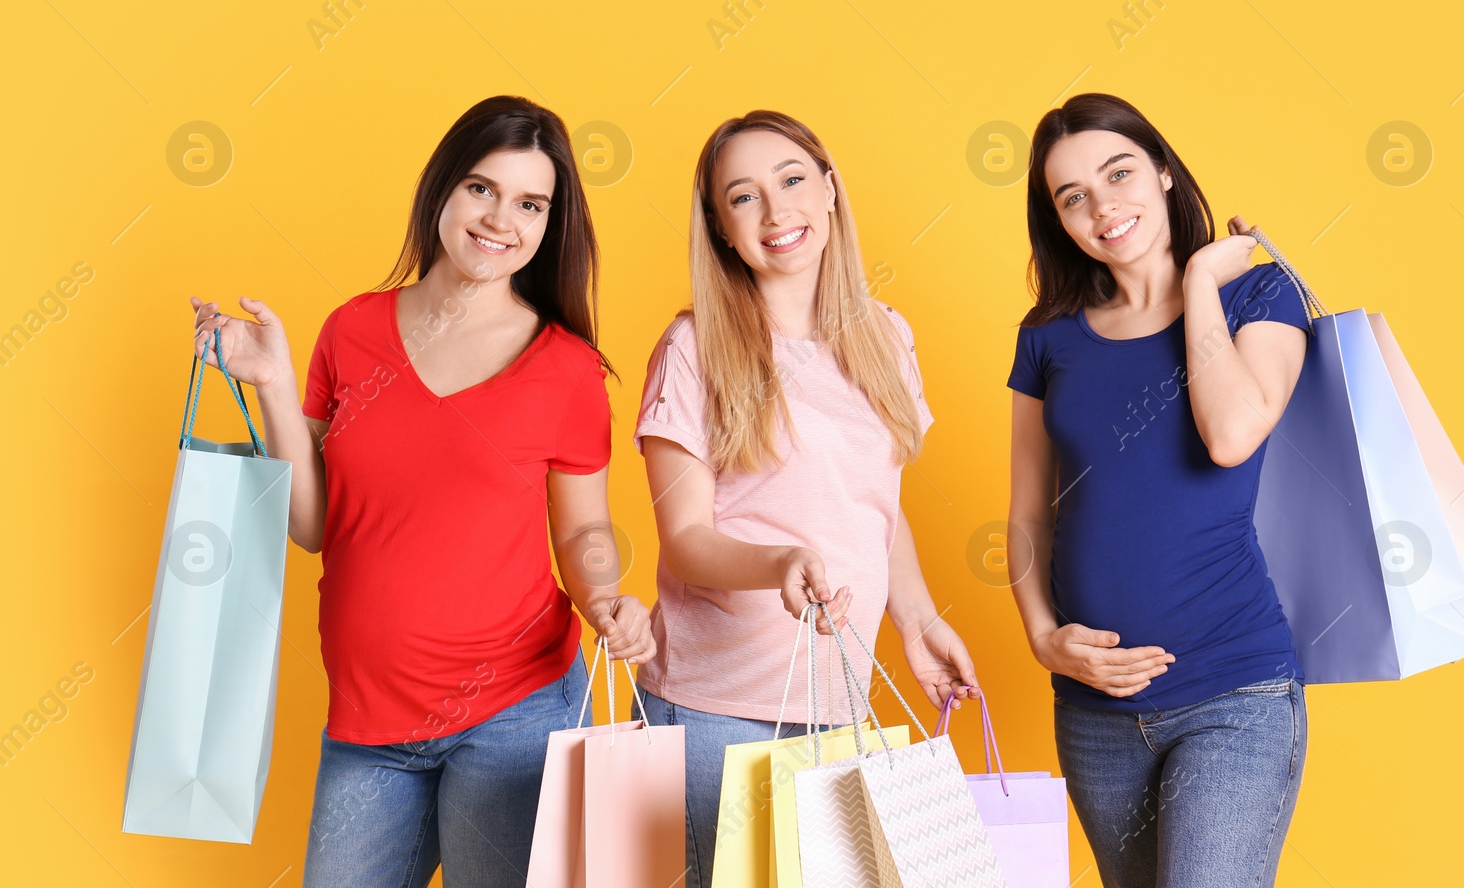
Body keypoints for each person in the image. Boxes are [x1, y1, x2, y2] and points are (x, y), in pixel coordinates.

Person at [188, 95, 653, 888]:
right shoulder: (352, 330)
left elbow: (583, 534)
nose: (500, 218)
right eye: (482, 188)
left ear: (549, 223)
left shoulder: (567, 368)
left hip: (515, 712)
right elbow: (312, 524)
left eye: (530, 203)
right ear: (442, 188)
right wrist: (269, 381)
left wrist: (605, 596)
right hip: (368, 725)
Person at [632, 110, 978, 888]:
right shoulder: (693, 348)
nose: (777, 210)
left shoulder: (886, 337)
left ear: (829, 191)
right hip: (714, 710)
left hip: (839, 702)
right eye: (744, 197)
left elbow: (873, 504)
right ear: (720, 228)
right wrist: (780, 560)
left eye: (791, 181)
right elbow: (684, 536)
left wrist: (917, 622)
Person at [1006, 93, 1312, 887]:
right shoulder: (1048, 334)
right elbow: (1028, 510)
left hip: (1233, 692)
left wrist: (1202, 279)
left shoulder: (1259, 296)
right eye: (1074, 197)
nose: (1104, 207)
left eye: (1120, 173)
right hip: (1095, 716)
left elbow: (1233, 432)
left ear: (1165, 172)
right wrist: (1043, 638)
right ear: (1058, 219)